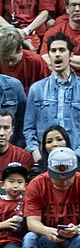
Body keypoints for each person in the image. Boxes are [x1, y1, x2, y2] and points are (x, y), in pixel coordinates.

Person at [21, 147, 80, 248]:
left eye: (67, 178)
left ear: (75, 172)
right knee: (29, 240)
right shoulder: (37, 184)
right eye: (57, 178)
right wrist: (47, 231)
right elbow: (32, 222)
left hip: (75, 238)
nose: (62, 182)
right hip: (48, 239)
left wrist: (78, 229)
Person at [24, 34, 80, 169]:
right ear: (49, 56)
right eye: (53, 51)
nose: (57, 54)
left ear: (71, 55)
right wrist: (37, 154)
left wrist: (76, 155)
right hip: (46, 161)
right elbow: (29, 128)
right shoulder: (37, 89)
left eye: (62, 50)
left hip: (78, 159)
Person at [0, 28, 49, 94]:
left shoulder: (36, 61)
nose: (10, 63)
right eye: (5, 60)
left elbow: (47, 86)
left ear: (20, 49)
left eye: (12, 59)